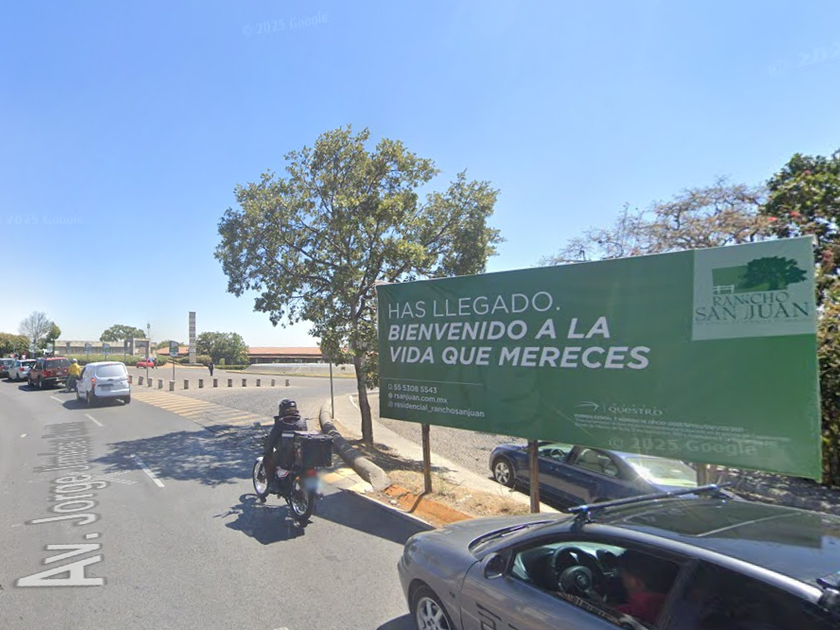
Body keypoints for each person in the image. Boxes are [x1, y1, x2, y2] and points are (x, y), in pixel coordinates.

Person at [263, 399, 308, 493]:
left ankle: (272, 484)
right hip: (300, 457)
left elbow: (271, 440)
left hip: (284, 458)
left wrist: (268, 450)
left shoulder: (280, 422)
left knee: (267, 459)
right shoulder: (302, 421)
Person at [614, 549, 668, 626]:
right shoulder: (669, 604)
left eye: (623, 575)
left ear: (637, 582)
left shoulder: (630, 612)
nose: (622, 581)